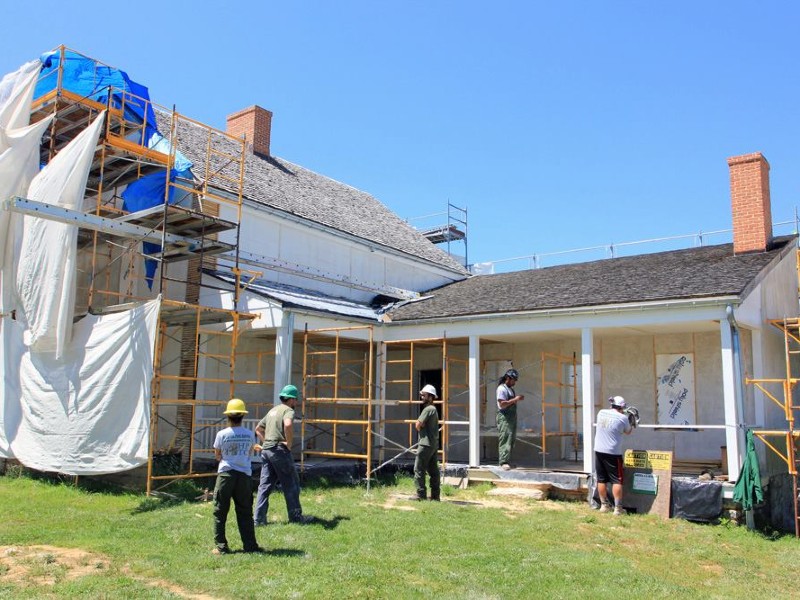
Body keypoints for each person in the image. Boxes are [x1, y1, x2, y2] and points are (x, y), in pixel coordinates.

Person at [253, 384, 311, 525]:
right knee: (291, 483)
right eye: (295, 399)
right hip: (279, 450)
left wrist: (266, 442)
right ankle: (296, 517)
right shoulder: (288, 410)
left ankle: (259, 519)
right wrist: (289, 444)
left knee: (264, 486)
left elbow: (258, 429)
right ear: (291, 399)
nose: (296, 402)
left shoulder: (273, 410)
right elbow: (288, 424)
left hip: (266, 451)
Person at [212, 398, 262, 554]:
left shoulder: (221, 434)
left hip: (226, 475)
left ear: (228, 416)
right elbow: (249, 452)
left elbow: (217, 455)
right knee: (245, 511)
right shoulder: (249, 435)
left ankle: (221, 546)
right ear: (242, 416)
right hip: (244, 476)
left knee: (220, 511)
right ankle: (250, 546)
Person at [594, 395, 633, 515]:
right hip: (613, 453)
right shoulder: (622, 418)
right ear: (622, 407)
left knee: (601, 479)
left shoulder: (601, 413)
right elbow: (628, 431)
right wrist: (630, 421)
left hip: (599, 450)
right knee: (617, 481)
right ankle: (618, 509)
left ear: (611, 405)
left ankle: (604, 505)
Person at [414, 384, 441, 501]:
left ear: (430, 397)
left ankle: (421, 495)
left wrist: (421, 424)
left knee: (419, 469)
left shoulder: (428, 409)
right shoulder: (433, 409)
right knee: (433, 471)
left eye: (424, 395)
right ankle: (435, 496)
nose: (422, 397)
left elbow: (417, 425)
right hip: (433, 444)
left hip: (425, 444)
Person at [496, 369, 524, 470]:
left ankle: (507, 460)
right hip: (504, 418)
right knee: (505, 439)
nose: (514, 382)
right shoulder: (501, 389)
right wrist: (516, 399)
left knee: (511, 440)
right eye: (513, 380)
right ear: (508, 378)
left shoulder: (510, 389)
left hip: (511, 418)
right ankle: (503, 462)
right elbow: (502, 404)